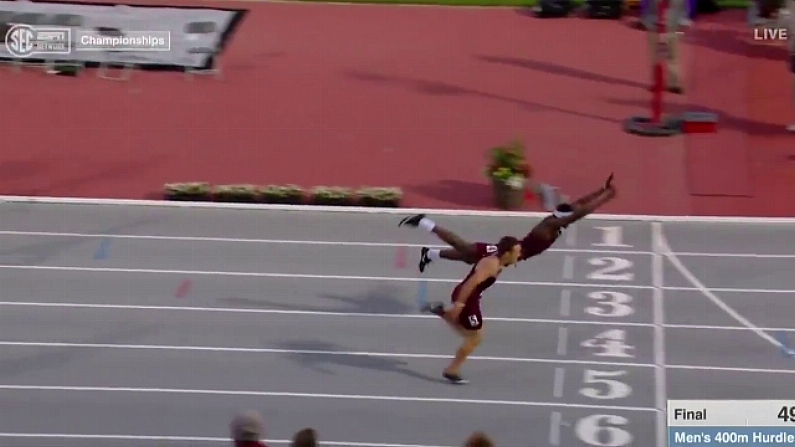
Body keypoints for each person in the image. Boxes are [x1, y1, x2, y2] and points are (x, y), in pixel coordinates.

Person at [399, 173, 616, 273]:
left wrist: (603, 190)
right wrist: (606, 198)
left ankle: (430, 254)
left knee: (467, 258)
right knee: (466, 249)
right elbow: (582, 211)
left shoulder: (558, 218)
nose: (573, 217)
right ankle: (424, 223)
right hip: (506, 252)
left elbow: (581, 204)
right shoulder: (551, 226)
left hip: (511, 255)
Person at [420, 235, 522, 384]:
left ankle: (440, 311)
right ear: (507, 253)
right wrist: (459, 305)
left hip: (472, 298)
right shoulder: (491, 265)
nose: (519, 255)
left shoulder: (498, 258)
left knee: (474, 333)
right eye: (517, 252)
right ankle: (452, 370)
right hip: (467, 299)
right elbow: (470, 284)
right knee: (473, 336)